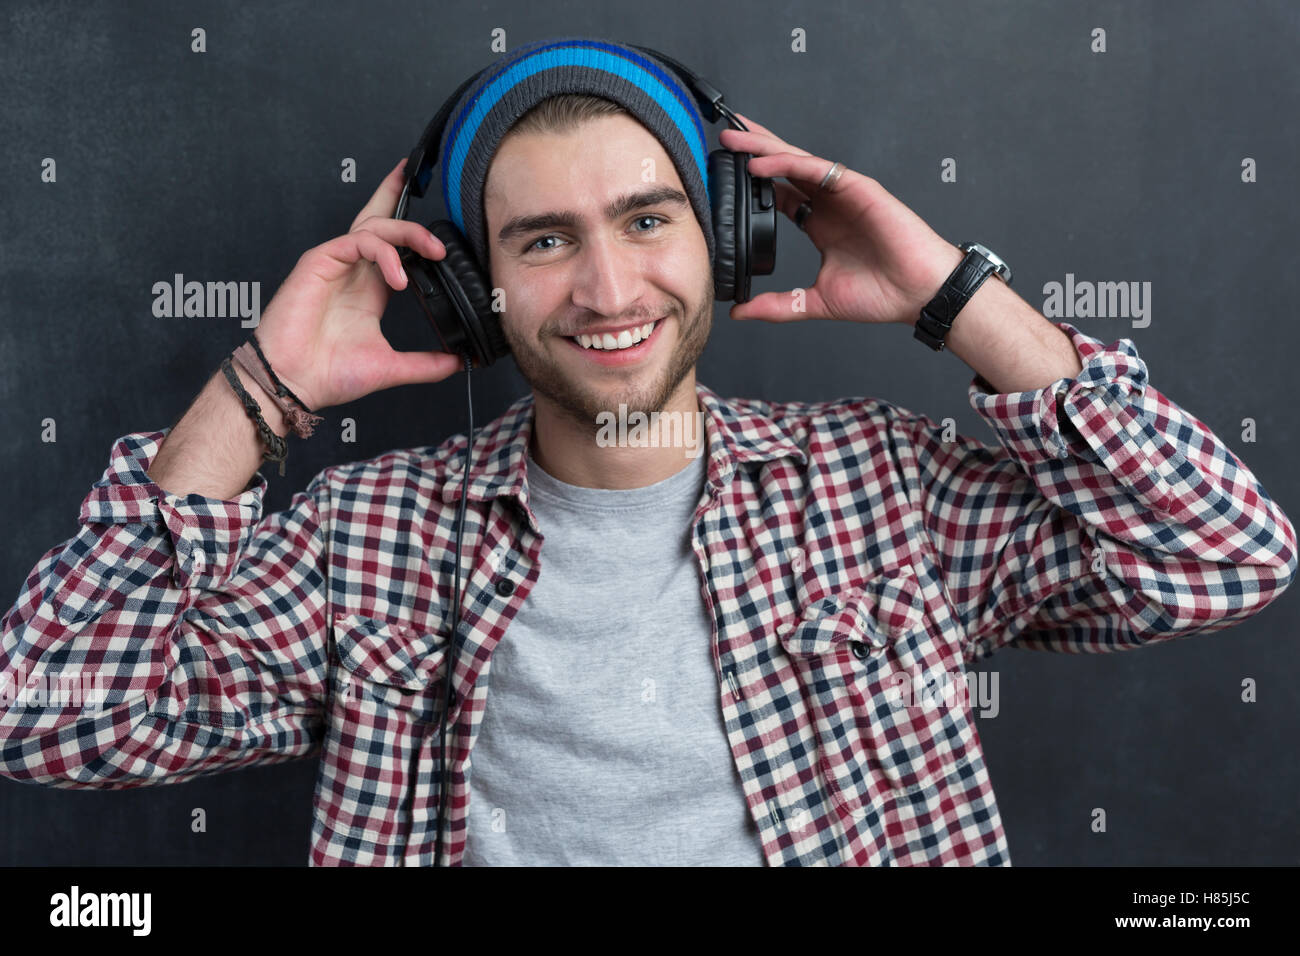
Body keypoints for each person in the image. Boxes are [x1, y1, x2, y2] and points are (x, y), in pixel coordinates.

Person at [1, 36, 1294, 867]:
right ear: (471, 288)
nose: (609, 286)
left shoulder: (885, 492)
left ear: (729, 241)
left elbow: (1225, 560)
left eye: (648, 217)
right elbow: (47, 713)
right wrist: (264, 392)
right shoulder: (366, 540)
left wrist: (953, 294)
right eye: (544, 240)